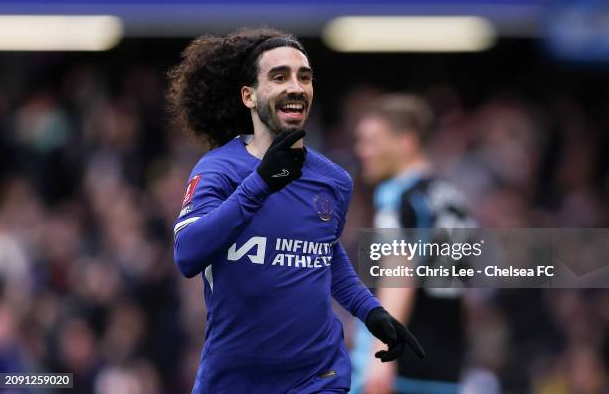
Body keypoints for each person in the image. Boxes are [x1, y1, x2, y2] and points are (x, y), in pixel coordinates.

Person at [166, 28, 425, 394]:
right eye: (279, 76)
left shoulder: (333, 181)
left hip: (318, 378)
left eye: (304, 77)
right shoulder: (218, 170)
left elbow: (323, 252)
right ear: (249, 96)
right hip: (235, 380)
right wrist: (260, 184)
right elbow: (188, 253)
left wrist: (371, 311)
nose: (295, 86)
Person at [352, 93, 475, 394]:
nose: (361, 151)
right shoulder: (453, 198)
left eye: (372, 141)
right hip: (445, 365)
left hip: (399, 368)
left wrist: (380, 355)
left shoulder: (398, 198)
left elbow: (399, 275)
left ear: (406, 142)